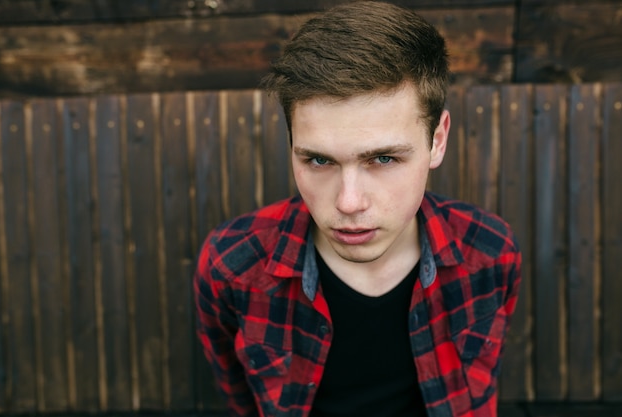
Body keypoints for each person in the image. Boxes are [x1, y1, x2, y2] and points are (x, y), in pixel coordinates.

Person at [193, 2, 521, 416]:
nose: (348, 202)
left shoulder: (490, 252)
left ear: (437, 140)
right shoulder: (233, 264)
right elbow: (239, 396)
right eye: (319, 160)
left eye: (383, 159)